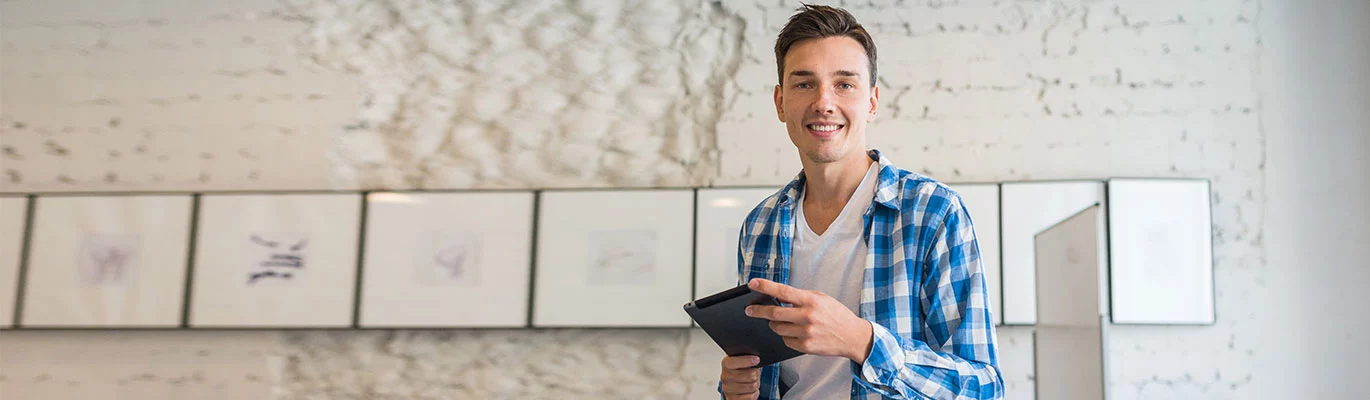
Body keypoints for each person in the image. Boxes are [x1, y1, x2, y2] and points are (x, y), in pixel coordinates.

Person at [718, 4, 1003, 399]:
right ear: (780, 103)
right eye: (804, 84)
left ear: (871, 102)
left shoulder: (932, 213)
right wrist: (735, 388)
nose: (823, 102)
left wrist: (863, 342)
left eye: (844, 84)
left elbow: (983, 387)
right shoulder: (761, 224)